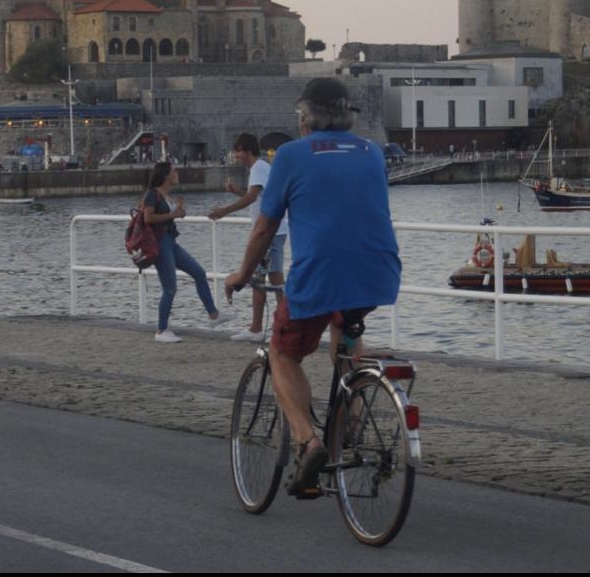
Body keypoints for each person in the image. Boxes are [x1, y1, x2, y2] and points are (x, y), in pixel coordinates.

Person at [224, 78, 401, 497]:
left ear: (303, 117)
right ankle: (352, 424)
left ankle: (309, 442)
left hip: (320, 274)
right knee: (346, 335)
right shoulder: (371, 152)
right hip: (378, 273)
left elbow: (265, 226)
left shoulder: (289, 155)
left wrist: (241, 273)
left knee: (284, 353)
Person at [208, 133, 288, 343]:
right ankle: (285, 325)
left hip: (269, 232)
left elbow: (252, 197)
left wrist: (224, 211)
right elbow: (257, 196)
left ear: (247, 150)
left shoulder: (258, 168)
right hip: (277, 230)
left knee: (259, 279)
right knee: (276, 278)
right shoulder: (262, 168)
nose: (237, 156)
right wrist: (237, 192)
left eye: (238, 151)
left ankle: (256, 328)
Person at [142, 161, 219, 343]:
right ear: (166, 176)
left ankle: (214, 314)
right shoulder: (152, 195)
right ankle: (161, 331)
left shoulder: (166, 196)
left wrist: (178, 212)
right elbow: (147, 218)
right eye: (174, 171)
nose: (177, 174)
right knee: (169, 289)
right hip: (160, 245)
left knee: (199, 273)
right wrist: (172, 215)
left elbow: (169, 217)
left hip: (171, 243)